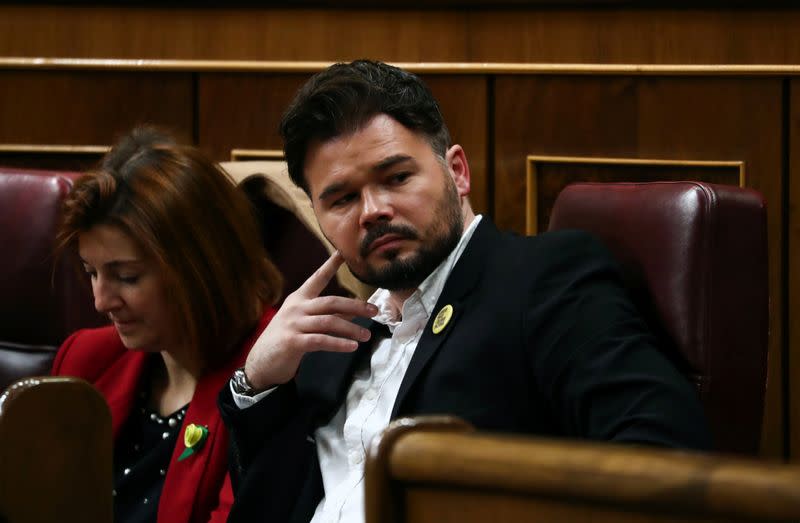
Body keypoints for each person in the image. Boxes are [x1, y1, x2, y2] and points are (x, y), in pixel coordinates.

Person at [218, 60, 712, 523]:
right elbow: (268, 503)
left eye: (396, 177)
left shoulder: (541, 279)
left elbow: (663, 457)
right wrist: (256, 384)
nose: (372, 210)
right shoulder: (334, 332)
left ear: (457, 172)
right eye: (342, 198)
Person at [51, 127, 283, 523]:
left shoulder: (272, 370)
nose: (101, 301)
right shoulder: (85, 360)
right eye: (92, 273)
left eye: (126, 277)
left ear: (199, 267)